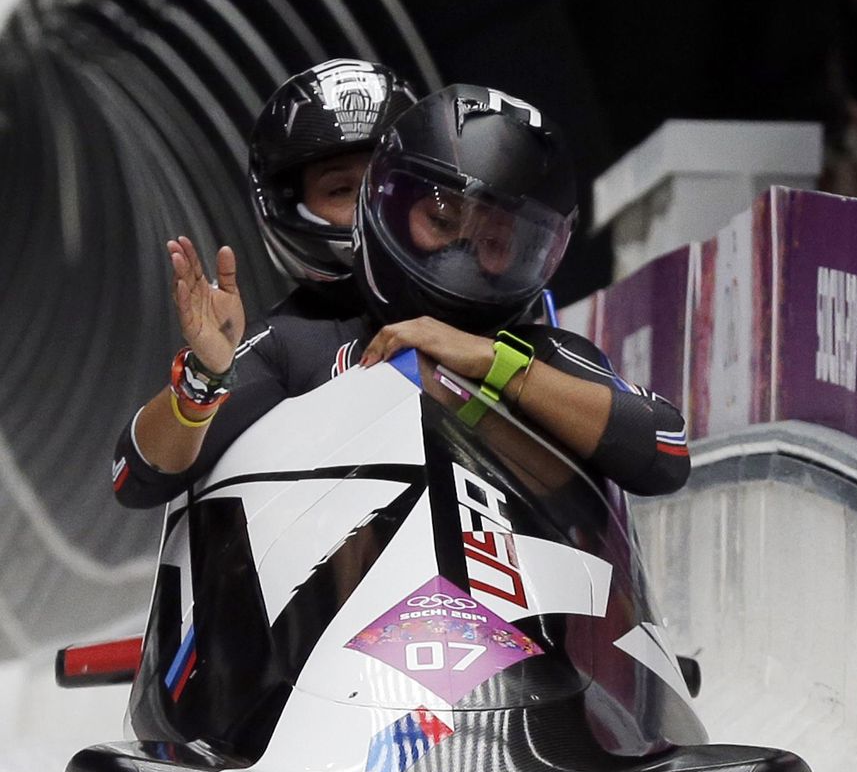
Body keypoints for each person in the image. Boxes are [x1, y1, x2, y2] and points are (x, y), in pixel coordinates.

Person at [112, 83, 689, 509]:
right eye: (440, 221)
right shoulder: (296, 344)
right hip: (327, 649)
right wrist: (202, 381)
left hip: (511, 646)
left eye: (493, 240)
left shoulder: (535, 352)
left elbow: (664, 447)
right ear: (385, 209)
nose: (461, 254)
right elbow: (136, 476)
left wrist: (489, 361)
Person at [248, 57, 417, 320]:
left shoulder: (486, 321)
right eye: (340, 190)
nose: (372, 203)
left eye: (389, 180)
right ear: (292, 208)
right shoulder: (272, 353)